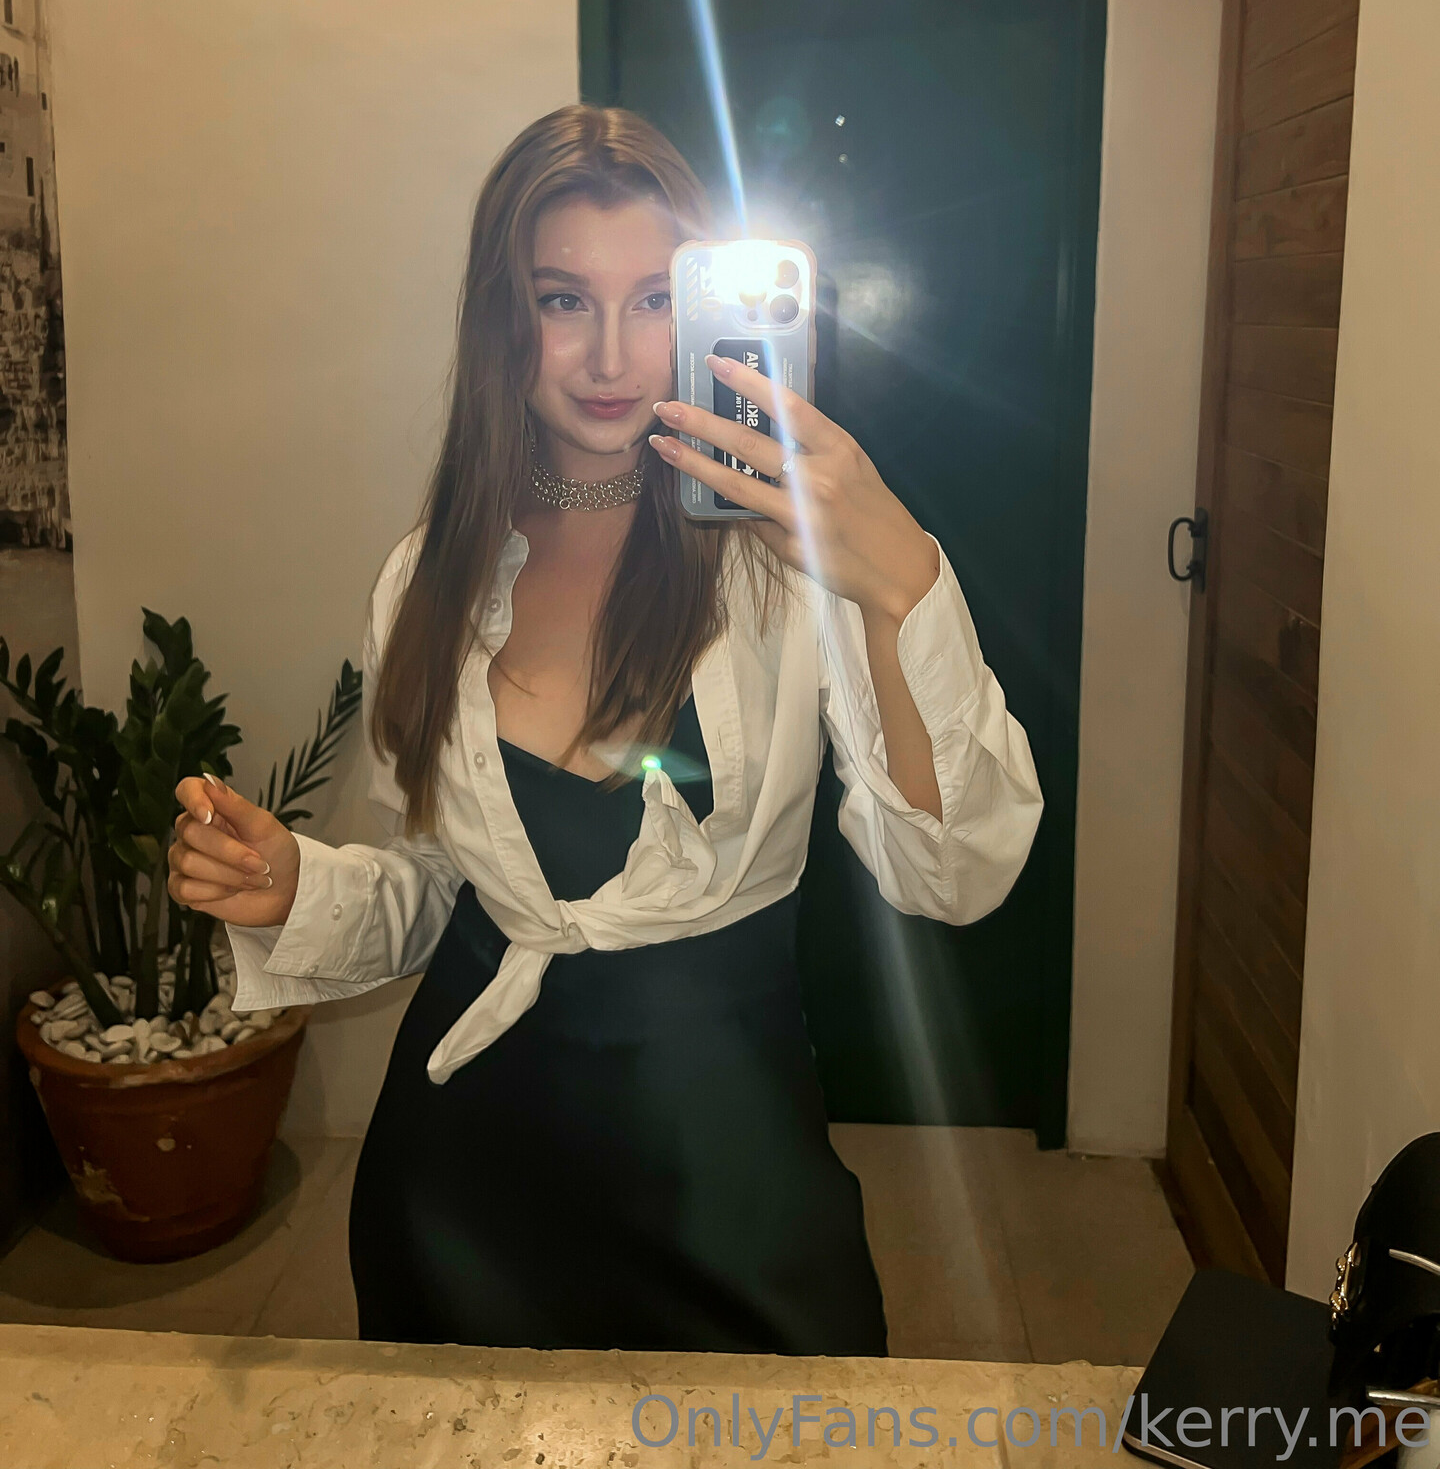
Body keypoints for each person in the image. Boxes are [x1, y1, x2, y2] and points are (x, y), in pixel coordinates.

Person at [168, 105, 1044, 1358]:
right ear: (503, 316)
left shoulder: (790, 561)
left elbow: (952, 875)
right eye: (564, 300)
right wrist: (295, 886)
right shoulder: (430, 578)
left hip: (729, 1171)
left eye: (655, 299)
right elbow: (441, 886)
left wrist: (902, 583)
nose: (613, 355)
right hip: (463, 1179)